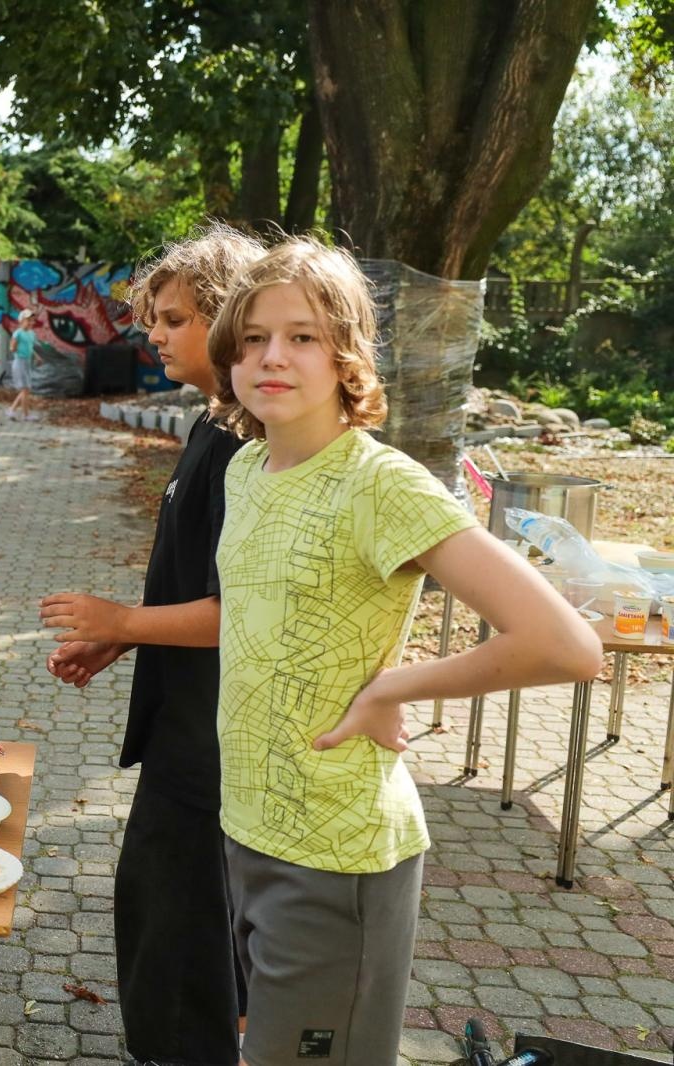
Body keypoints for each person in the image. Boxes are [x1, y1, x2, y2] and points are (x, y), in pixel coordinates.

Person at [206, 238, 602, 1066]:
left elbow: (565, 644)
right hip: (248, 827)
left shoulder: (380, 484)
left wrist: (395, 686)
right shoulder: (247, 468)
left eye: (303, 336)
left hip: (336, 856)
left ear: (347, 354)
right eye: (252, 337)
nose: (271, 356)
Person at [40, 224, 263, 1066]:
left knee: (178, 933)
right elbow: (192, 582)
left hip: (215, 740)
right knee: (171, 919)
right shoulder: (210, 424)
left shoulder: (251, 447)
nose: (154, 334)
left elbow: (243, 609)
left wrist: (123, 623)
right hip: (182, 721)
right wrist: (119, 642)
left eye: (172, 319)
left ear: (228, 317)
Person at [4, 307, 38, 421]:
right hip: (19, 362)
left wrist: (37, 356)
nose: (31, 322)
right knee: (25, 390)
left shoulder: (31, 334)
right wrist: (14, 349)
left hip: (27, 362)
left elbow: (30, 348)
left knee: (26, 389)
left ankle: (11, 410)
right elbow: (12, 347)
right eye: (28, 320)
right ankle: (25, 414)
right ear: (21, 321)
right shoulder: (18, 333)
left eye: (32, 320)